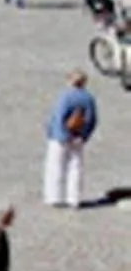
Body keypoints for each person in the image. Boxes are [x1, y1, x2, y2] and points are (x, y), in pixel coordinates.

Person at [44, 69, 97, 208]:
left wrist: (53, 132)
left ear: (70, 81)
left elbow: (58, 117)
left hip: (59, 137)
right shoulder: (88, 98)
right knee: (76, 167)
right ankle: (74, 199)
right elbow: (92, 119)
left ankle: (54, 197)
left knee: (55, 167)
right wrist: (84, 136)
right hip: (78, 137)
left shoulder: (65, 97)